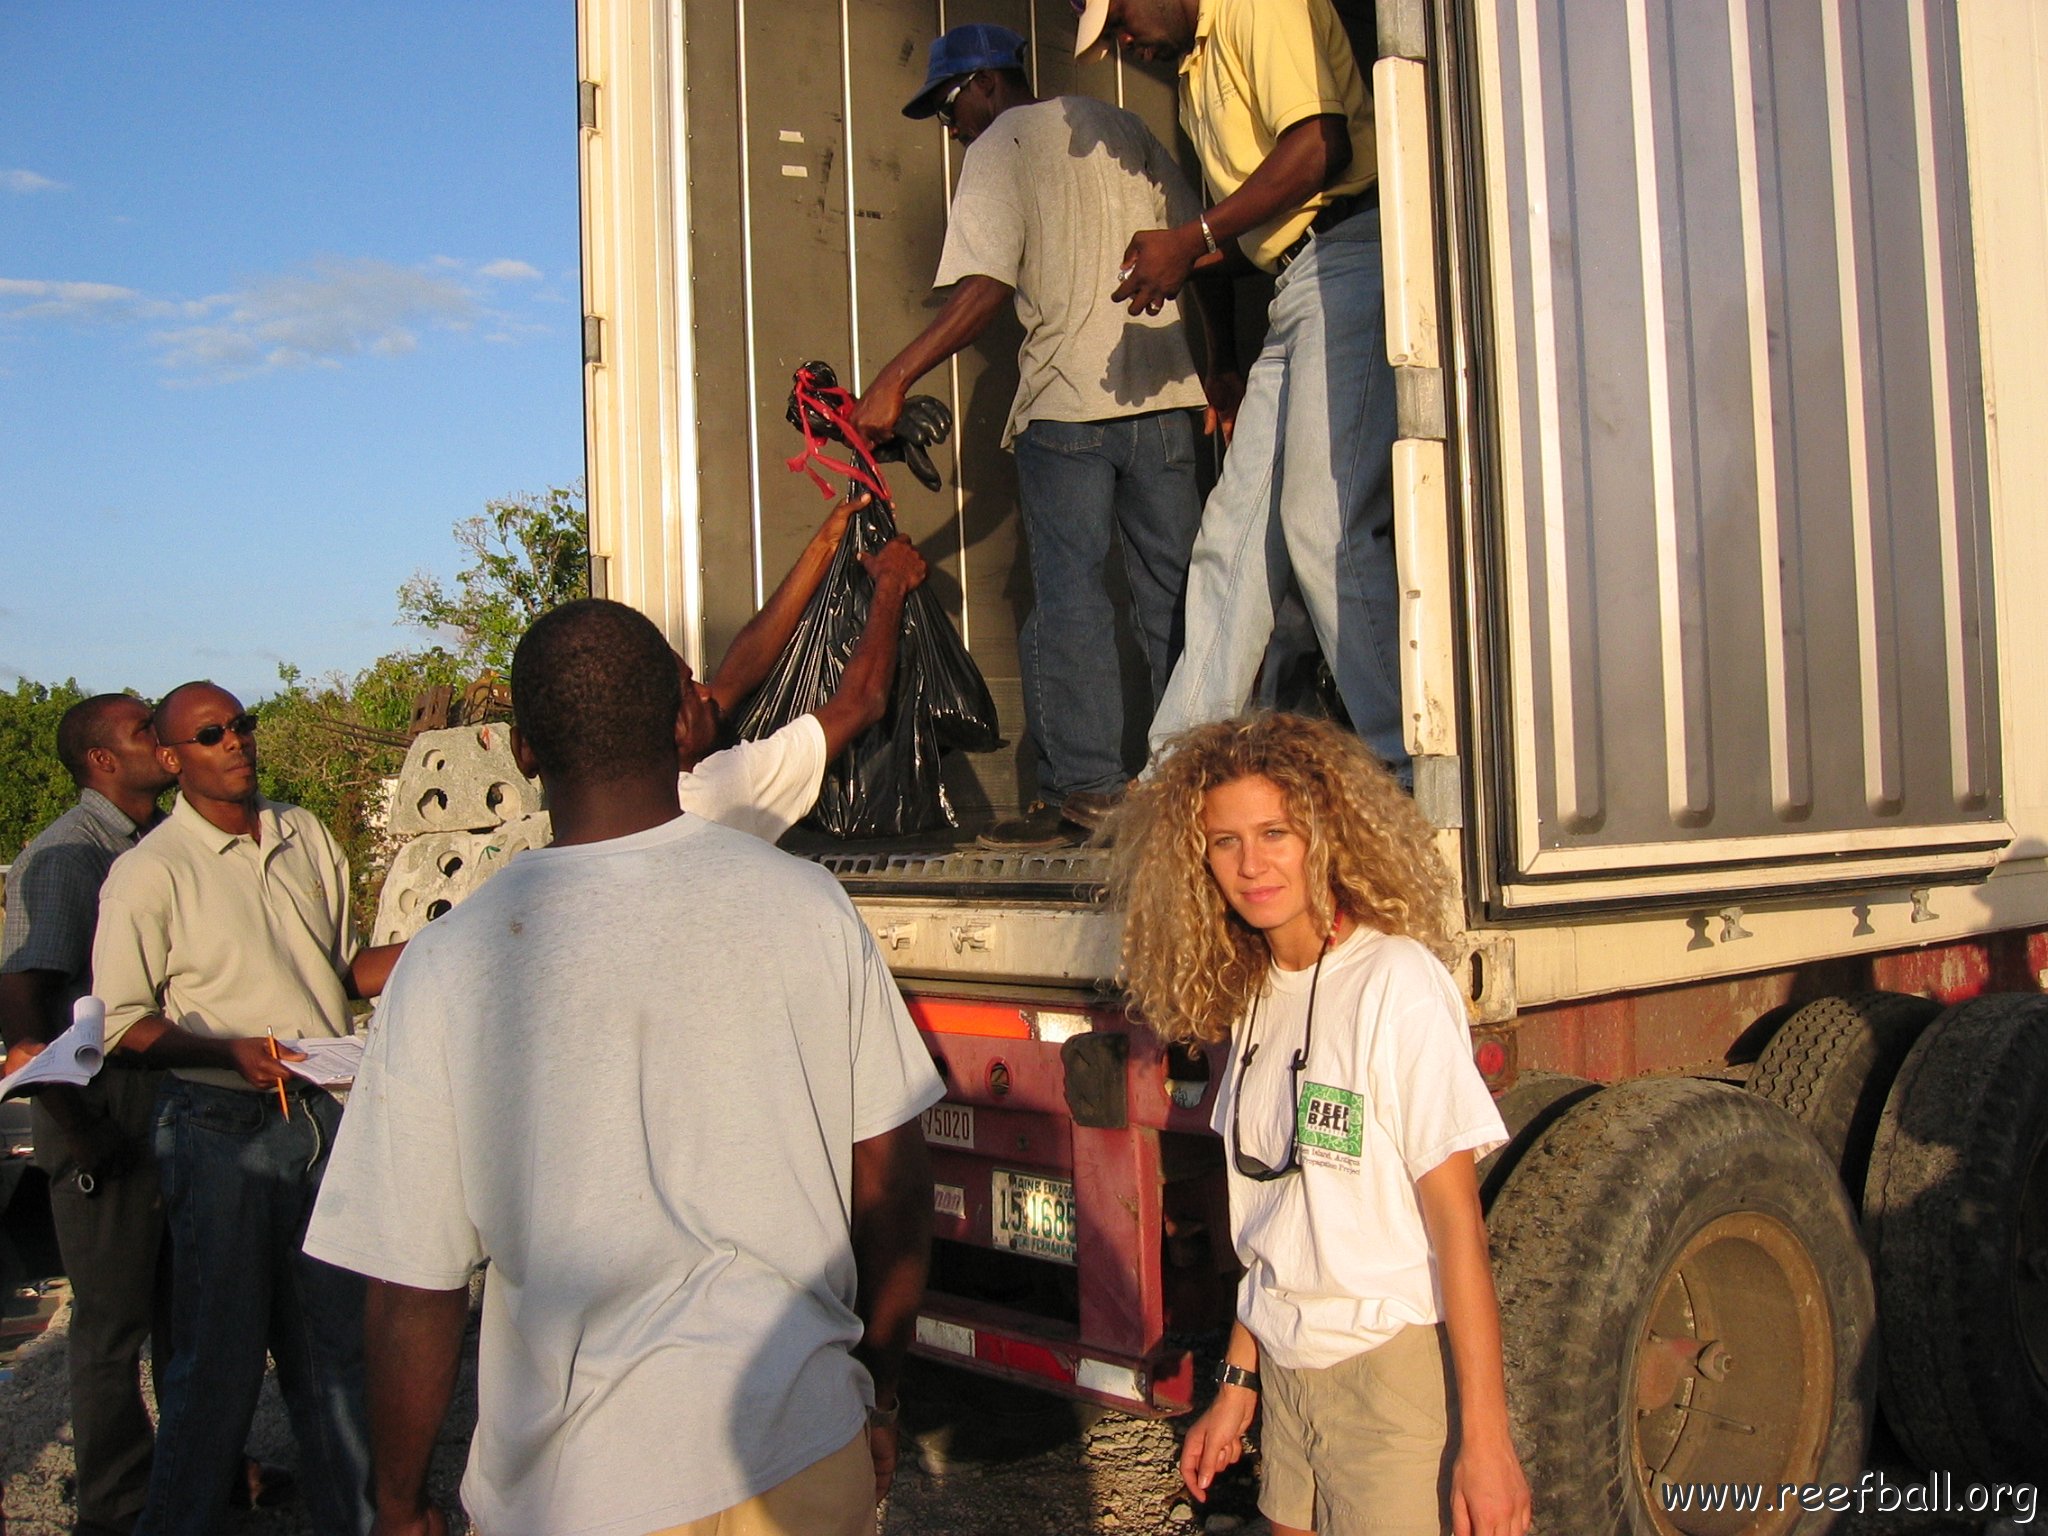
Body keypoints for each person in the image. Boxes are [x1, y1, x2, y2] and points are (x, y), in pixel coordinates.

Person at [303, 598, 943, 1536]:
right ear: (685, 719)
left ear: (521, 753)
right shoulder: (807, 905)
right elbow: (893, 1186)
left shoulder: (446, 965)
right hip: (800, 1454)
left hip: (575, 1492)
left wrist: (397, 1502)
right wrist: (877, 1397)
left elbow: (413, 1289)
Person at [1106, 713, 1529, 1536]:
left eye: (1275, 832)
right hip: (1290, 1375)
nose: (1251, 864)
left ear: (1325, 834)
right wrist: (1236, 1388)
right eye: (1224, 842)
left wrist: (1487, 1441)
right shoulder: (1256, 993)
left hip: (1389, 1375)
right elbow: (1277, 1222)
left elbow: (1458, 1230)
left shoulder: (1396, 982)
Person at [851, 23, 1218, 847]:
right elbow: (1196, 246)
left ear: (986, 83)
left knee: (1070, 604)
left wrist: (893, 379)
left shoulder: (1000, 146)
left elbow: (986, 287)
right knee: (1180, 597)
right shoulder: (1120, 126)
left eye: (950, 106)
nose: (953, 128)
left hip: (1068, 410)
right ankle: (1197, 784)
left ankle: (1087, 793)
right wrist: (1213, 371)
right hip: (1163, 399)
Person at [92, 681, 404, 1536]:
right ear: (170, 758)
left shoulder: (304, 834)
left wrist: (435, 949)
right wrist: (223, 1049)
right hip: (219, 1131)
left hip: (320, 1118)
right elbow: (121, 1023)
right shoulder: (146, 874)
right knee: (217, 1368)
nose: (236, 742)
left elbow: (334, 972)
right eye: (210, 733)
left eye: (243, 724)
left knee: (337, 1354)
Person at [1078, 0, 1410, 783]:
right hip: (1295, 286)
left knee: (1322, 522)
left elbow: (1317, 148)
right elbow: (1249, 231)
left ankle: (1408, 765)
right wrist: (1220, 351)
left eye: (1119, 19)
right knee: (1228, 537)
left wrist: (1189, 242)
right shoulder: (1195, 69)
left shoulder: (1258, 5)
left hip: (1350, 256)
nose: (1126, 42)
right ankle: (1176, 774)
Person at [0, 696, 176, 1536]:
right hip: (101, 1121)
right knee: (111, 1331)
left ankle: (191, 1474)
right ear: (102, 761)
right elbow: (27, 997)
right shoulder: (73, 856)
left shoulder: (156, 846)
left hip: (161, 1115)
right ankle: (115, 1505)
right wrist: (75, 1127)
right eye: (148, 731)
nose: (167, 741)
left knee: (185, 1307)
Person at [677, 490, 928, 841]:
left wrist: (825, 544)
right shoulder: (715, 797)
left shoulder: (620, 804)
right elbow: (861, 702)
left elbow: (739, 674)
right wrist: (892, 582)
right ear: (670, 729)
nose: (706, 691)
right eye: (690, 690)